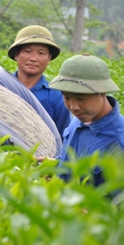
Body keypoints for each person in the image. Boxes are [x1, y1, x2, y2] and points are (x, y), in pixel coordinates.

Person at [48, 53, 124, 186]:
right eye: (66, 97)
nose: (73, 107)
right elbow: (73, 160)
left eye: (81, 99)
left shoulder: (118, 141)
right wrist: (56, 165)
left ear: (102, 92)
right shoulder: (80, 118)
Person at [8, 25, 72, 136]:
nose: (33, 58)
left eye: (41, 53)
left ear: (49, 59)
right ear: (16, 54)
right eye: (27, 51)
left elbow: (63, 137)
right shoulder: (1, 87)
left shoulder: (57, 96)